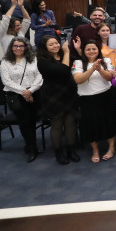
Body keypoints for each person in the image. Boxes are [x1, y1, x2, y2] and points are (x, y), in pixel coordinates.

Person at [72, 40, 116, 163]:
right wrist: (92, 68)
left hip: (105, 96)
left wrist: (99, 69)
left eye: (94, 49)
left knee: (109, 122)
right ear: (83, 51)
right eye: (88, 49)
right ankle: (95, 150)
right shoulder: (78, 63)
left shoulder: (106, 61)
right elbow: (78, 80)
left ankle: (111, 148)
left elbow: (109, 77)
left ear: (98, 50)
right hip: (86, 99)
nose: (91, 51)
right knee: (89, 124)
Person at [36, 35, 79, 164]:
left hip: (69, 93)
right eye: (51, 44)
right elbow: (63, 70)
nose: (55, 46)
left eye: (56, 43)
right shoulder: (42, 60)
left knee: (71, 122)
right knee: (57, 124)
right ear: (45, 48)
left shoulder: (65, 55)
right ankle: (58, 152)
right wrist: (67, 52)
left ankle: (71, 150)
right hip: (52, 95)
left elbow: (78, 63)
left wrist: (76, 50)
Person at [0, 36, 43, 162]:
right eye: (15, 46)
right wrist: (24, 92)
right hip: (16, 96)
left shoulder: (32, 59)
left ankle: (31, 145)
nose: (18, 48)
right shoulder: (5, 62)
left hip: (33, 94)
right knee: (24, 123)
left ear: (25, 47)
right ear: (11, 47)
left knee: (32, 121)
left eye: (21, 46)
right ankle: (32, 148)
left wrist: (31, 90)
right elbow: (6, 81)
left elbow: (39, 77)